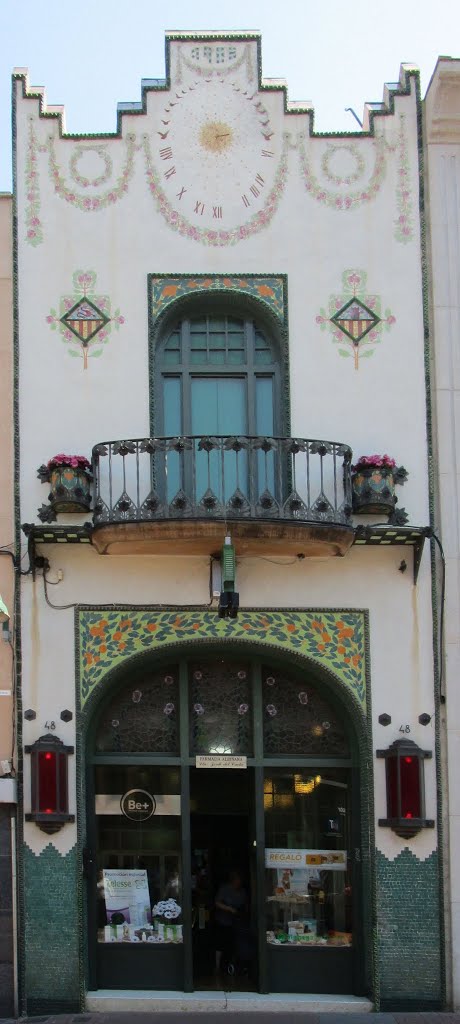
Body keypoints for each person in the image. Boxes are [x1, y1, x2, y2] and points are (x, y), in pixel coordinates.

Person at [214, 870, 247, 973]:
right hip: (223, 921)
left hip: (236, 922)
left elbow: (245, 906)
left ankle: (232, 966)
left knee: (234, 944)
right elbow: (217, 903)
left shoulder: (242, 892)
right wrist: (229, 909)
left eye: (240, 880)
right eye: (237, 880)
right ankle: (217, 966)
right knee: (220, 944)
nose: (238, 882)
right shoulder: (225, 889)